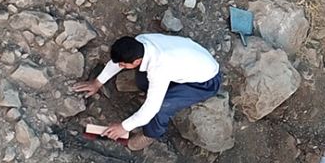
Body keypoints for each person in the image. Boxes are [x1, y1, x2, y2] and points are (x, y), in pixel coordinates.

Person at [71, 34, 221, 151]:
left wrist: (123, 127)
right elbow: (118, 62)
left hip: (204, 81)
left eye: (124, 64)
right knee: (143, 81)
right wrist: (97, 82)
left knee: (161, 107)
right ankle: (160, 90)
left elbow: (151, 109)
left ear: (136, 61)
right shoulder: (141, 41)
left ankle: (151, 134)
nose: (120, 66)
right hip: (189, 61)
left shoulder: (159, 68)